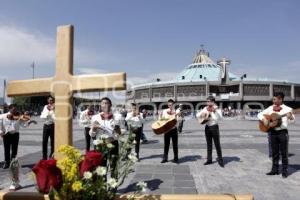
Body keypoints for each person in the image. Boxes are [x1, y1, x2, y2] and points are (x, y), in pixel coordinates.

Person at [258, 92, 295, 178]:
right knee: (274, 152)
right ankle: (274, 170)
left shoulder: (288, 109)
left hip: (283, 133)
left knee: (284, 153)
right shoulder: (270, 108)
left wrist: (290, 117)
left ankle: (285, 171)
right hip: (272, 132)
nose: (273, 100)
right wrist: (264, 119)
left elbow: (293, 121)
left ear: (280, 99)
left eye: (274, 99)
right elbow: (259, 114)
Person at [89, 97, 121, 179]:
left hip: (113, 143)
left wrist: (117, 131)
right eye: (103, 103)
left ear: (110, 105)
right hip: (100, 145)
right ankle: (102, 187)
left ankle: (113, 188)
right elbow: (92, 135)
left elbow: (121, 133)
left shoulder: (117, 117)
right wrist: (94, 129)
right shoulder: (95, 117)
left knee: (114, 166)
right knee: (101, 167)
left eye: (107, 103)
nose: (105, 105)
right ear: (100, 105)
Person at [0, 104, 34, 169]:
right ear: (9, 109)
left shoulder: (18, 117)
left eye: (16, 109)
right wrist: (1, 132)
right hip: (7, 134)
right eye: (14, 109)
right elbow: (0, 125)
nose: (15, 111)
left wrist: (29, 122)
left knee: (14, 149)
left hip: (15, 134)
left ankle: (13, 163)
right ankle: (7, 162)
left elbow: (24, 125)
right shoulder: (3, 116)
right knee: (6, 149)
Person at [197, 96, 224, 167]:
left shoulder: (217, 108)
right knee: (209, 144)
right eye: (207, 101)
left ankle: (220, 160)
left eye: (209, 101)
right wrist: (203, 114)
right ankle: (209, 159)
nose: (208, 103)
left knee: (217, 144)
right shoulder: (205, 108)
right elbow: (198, 115)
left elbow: (219, 118)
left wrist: (213, 111)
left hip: (214, 127)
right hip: (207, 127)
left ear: (213, 102)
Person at [160, 99, 179, 163]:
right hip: (167, 130)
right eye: (169, 105)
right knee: (166, 144)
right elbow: (161, 119)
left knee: (175, 144)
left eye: (171, 105)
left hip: (174, 129)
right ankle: (165, 158)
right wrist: (160, 115)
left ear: (173, 105)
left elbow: (178, 120)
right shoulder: (165, 111)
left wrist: (177, 115)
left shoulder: (176, 111)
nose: (170, 106)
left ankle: (176, 157)